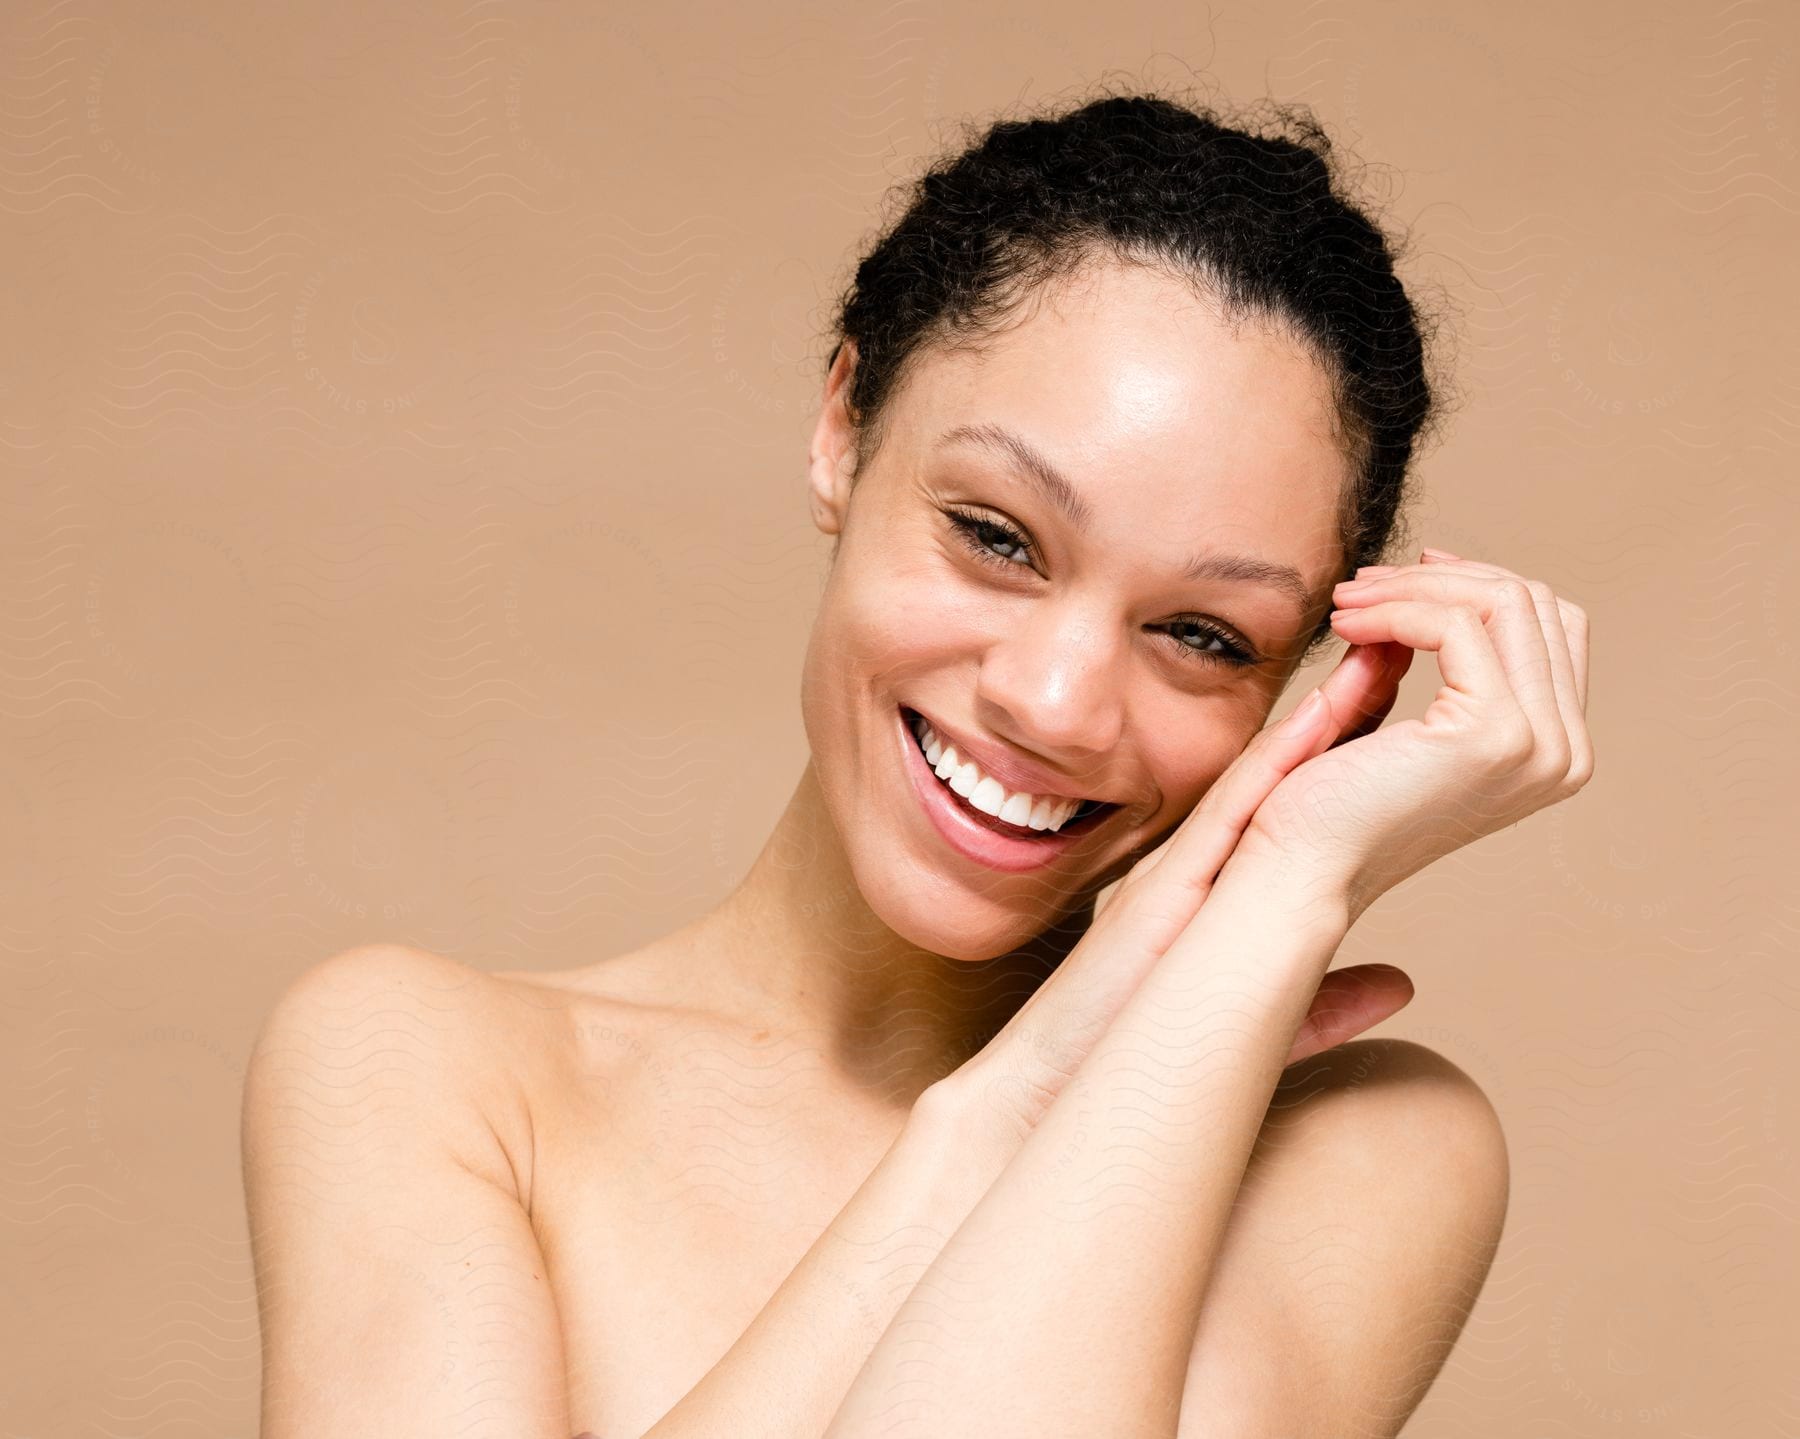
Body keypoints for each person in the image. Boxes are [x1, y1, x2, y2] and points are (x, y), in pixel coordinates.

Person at [242, 87, 1593, 1439]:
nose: (1058, 705)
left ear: (1304, 678)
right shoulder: (428, 1068)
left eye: (1200, 633)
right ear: (844, 429)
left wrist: (1287, 890)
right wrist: (998, 1112)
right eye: (997, 536)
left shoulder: (1362, 1154)